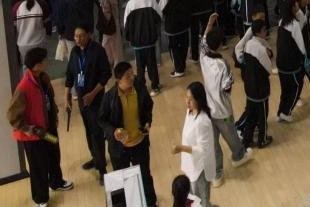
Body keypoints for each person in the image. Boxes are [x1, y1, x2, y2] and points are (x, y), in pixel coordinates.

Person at [6, 47, 74, 206]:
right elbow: (11, 115)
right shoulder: (23, 87)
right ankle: (41, 198)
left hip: (48, 130)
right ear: (36, 66)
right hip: (34, 135)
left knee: (54, 155)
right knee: (38, 166)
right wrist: (27, 129)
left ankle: (56, 182)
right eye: (44, 60)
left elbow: (49, 99)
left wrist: (54, 115)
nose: (46, 62)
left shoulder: (43, 78)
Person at [200, 14, 253, 186]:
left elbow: (203, 41)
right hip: (222, 110)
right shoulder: (223, 65)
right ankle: (239, 156)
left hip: (207, 109)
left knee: (212, 143)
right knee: (231, 136)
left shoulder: (203, 57)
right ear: (220, 45)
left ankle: (217, 174)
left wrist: (209, 23)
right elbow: (227, 87)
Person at [97, 61, 158, 207]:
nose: (132, 77)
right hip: (119, 148)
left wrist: (147, 122)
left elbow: (148, 105)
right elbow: (101, 119)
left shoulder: (140, 88)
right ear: (118, 80)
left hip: (140, 143)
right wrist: (114, 131)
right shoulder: (109, 97)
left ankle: (151, 203)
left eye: (132, 74)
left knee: (145, 176)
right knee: (121, 181)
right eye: (127, 76)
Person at [65, 25, 111, 182]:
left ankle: (102, 169)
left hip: (95, 100)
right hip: (82, 101)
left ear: (89, 35)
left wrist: (92, 94)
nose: (78, 39)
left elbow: (106, 75)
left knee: (97, 133)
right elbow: (70, 75)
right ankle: (95, 158)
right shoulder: (74, 52)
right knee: (88, 131)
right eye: (76, 36)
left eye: (81, 36)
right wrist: (67, 97)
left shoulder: (98, 51)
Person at [172, 82, 217, 207]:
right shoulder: (190, 112)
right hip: (191, 163)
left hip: (200, 168)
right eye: (186, 97)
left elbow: (202, 150)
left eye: (191, 99)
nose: (187, 102)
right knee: (193, 197)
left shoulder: (203, 121)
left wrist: (181, 148)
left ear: (199, 99)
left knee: (201, 199)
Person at [234, 18, 272, 149]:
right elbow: (268, 69)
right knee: (262, 116)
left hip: (249, 87)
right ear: (259, 32)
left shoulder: (248, 44)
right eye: (264, 30)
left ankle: (247, 140)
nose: (266, 31)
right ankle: (262, 139)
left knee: (250, 115)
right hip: (260, 89)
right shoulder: (261, 49)